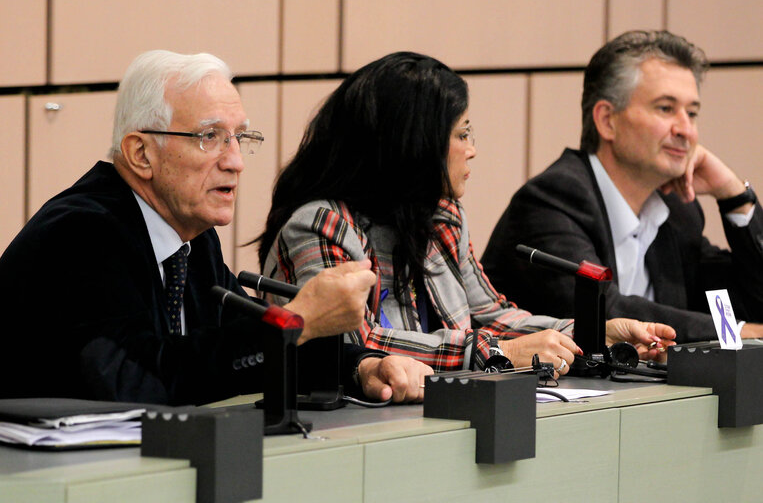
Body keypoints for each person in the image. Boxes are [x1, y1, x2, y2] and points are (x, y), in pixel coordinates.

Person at [0, 50, 431, 405]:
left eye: (239, 138)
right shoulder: (83, 234)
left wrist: (362, 366)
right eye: (210, 137)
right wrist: (299, 318)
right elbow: (141, 383)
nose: (235, 161)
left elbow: (233, 342)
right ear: (141, 154)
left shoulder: (190, 235)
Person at [256, 51, 675, 377]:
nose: (472, 148)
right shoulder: (321, 226)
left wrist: (592, 333)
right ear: (414, 145)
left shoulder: (441, 218)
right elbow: (356, 348)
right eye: (461, 134)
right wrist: (496, 354)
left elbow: (494, 315)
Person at [481, 31, 763, 344]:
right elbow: (605, 311)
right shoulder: (553, 200)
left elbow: (742, 302)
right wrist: (735, 332)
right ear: (607, 121)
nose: (686, 130)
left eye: (692, 113)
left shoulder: (677, 212)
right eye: (666, 108)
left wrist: (735, 196)